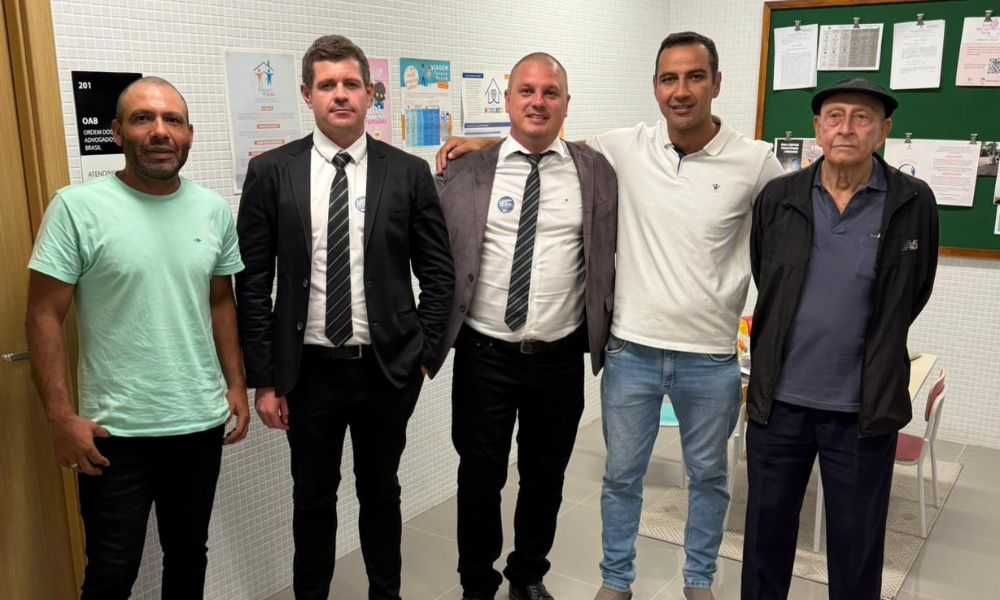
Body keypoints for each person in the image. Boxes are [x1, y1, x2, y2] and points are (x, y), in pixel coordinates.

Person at [439, 32, 784, 600]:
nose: (681, 90)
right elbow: (532, 137)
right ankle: (512, 584)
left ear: (717, 84)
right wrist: (483, 145)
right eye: (669, 78)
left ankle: (545, 578)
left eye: (695, 77)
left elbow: (788, 230)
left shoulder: (739, 162)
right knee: (502, 477)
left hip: (621, 356)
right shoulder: (603, 153)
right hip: (536, 354)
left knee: (562, 477)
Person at [235, 35, 454, 600]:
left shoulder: (407, 173)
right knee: (312, 498)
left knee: (381, 492)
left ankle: (386, 593)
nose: (340, 95)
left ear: (370, 94)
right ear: (306, 93)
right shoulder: (270, 172)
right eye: (327, 85)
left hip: (386, 370)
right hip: (306, 373)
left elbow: (438, 273)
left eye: (351, 84)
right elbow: (252, 283)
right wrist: (265, 379)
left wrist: (425, 356)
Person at [26, 76, 250, 600]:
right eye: (143, 118)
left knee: (188, 555)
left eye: (173, 120)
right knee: (111, 570)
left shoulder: (213, 209)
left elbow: (221, 301)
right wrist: (60, 417)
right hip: (113, 431)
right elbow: (44, 314)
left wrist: (236, 383)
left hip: (198, 421)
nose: (160, 131)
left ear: (189, 134)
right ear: (117, 132)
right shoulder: (76, 208)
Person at [742, 78, 938, 600]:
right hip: (779, 405)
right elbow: (768, 276)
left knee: (856, 548)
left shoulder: (912, 200)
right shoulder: (779, 197)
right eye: (834, 116)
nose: (846, 128)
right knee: (764, 541)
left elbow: (914, 290)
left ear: (884, 130)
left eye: (861, 117)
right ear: (817, 128)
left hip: (862, 410)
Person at [435, 53, 618, 600]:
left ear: (566, 103)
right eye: (527, 91)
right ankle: (476, 582)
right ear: (509, 99)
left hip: (558, 355)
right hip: (484, 353)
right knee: (479, 475)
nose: (538, 102)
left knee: (546, 475)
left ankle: (528, 575)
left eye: (550, 93)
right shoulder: (466, 172)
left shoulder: (596, 171)